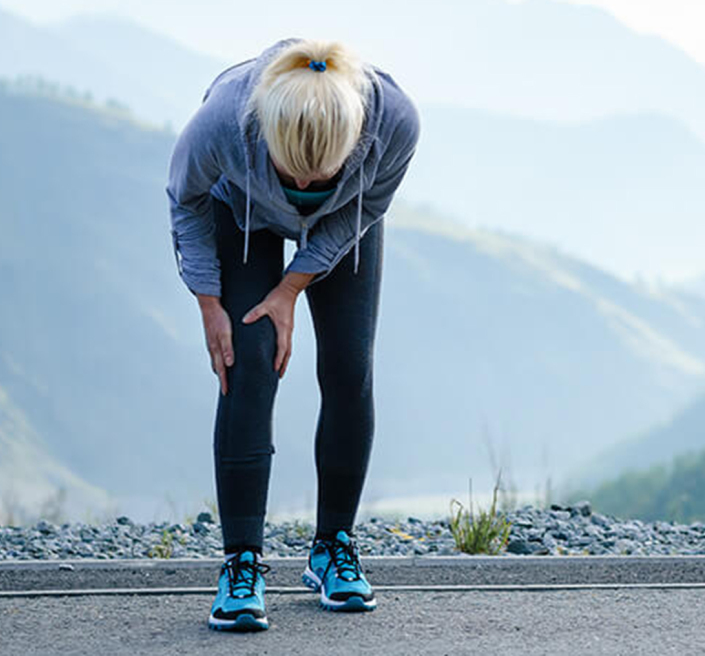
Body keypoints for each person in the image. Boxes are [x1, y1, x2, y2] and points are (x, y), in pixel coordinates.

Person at [166, 36, 420, 632]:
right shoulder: (222, 123)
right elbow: (185, 201)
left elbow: (370, 208)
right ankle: (241, 562)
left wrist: (291, 287)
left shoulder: (395, 124)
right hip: (241, 212)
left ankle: (333, 546)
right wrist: (209, 302)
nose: (304, 188)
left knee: (349, 366)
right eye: (292, 174)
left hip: (346, 221)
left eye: (319, 177)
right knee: (246, 360)